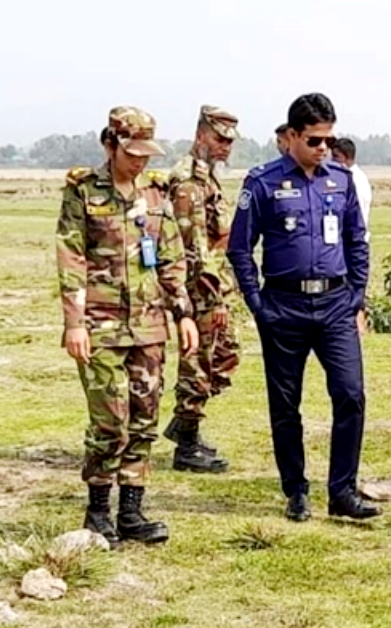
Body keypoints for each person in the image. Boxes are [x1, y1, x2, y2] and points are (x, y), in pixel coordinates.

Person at [227, 93, 381, 522]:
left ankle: (343, 491)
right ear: (291, 136)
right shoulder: (263, 182)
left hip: (335, 305)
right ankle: (295, 490)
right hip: (283, 305)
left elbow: (357, 241)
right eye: (314, 140)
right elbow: (240, 249)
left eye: (328, 141)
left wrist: (356, 295)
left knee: (350, 395)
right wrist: (258, 304)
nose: (322, 149)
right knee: (285, 404)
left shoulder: (341, 180)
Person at [56, 106, 198, 548]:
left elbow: (172, 258)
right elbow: (71, 256)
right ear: (110, 144)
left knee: (144, 419)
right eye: (132, 152)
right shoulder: (83, 191)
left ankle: (132, 511)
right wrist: (74, 322)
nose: (141, 162)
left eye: (146, 154)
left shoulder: (156, 194)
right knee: (109, 423)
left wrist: (184, 312)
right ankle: (98, 510)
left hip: (149, 325)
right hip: (99, 325)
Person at [162, 105, 242, 474]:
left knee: (223, 357)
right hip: (199, 290)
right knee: (198, 363)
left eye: (229, 141)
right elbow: (192, 247)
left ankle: (184, 427)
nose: (225, 146)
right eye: (219, 138)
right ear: (201, 135)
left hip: (216, 285)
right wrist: (209, 298)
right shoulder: (189, 181)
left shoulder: (207, 177)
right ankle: (187, 444)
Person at [331, 138, 373, 334]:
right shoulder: (357, 177)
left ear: (346, 158)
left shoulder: (351, 179)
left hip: (353, 243)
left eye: (336, 157)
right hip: (355, 241)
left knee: (351, 291)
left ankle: (356, 329)